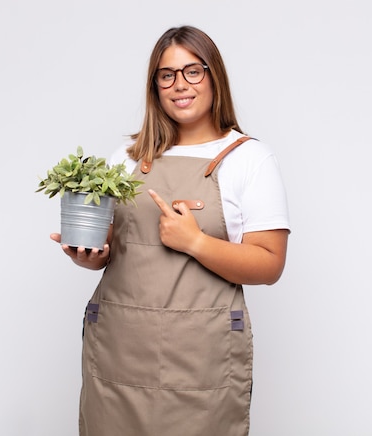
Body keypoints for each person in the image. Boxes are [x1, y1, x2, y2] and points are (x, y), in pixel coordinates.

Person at [50, 25, 290, 436]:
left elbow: (269, 264)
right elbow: (116, 253)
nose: (180, 85)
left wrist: (195, 242)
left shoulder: (250, 159)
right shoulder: (127, 159)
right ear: (155, 86)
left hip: (200, 357)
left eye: (193, 71)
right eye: (167, 75)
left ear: (214, 76)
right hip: (120, 352)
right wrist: (92, 256)